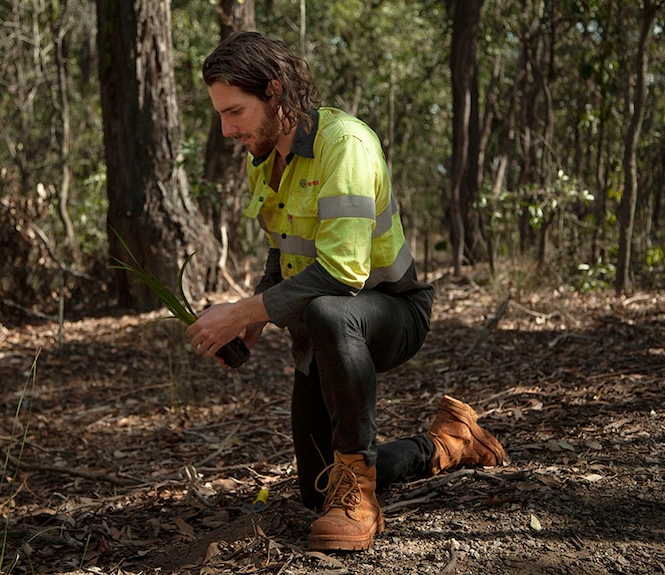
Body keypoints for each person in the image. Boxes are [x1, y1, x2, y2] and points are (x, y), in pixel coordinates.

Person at [187, 30, 506, 552]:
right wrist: (253, 320)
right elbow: (283, 253)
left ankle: (359, 495)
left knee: (334, 313)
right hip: (323, 329)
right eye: (221, 114)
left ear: (274, 92)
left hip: (392, 313)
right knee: (316, 489)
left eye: (235, 112)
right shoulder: (264, 159)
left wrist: (242, 309)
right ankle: (448, 444)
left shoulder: (346, 144)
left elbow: (342, 273)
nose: (226, 129)